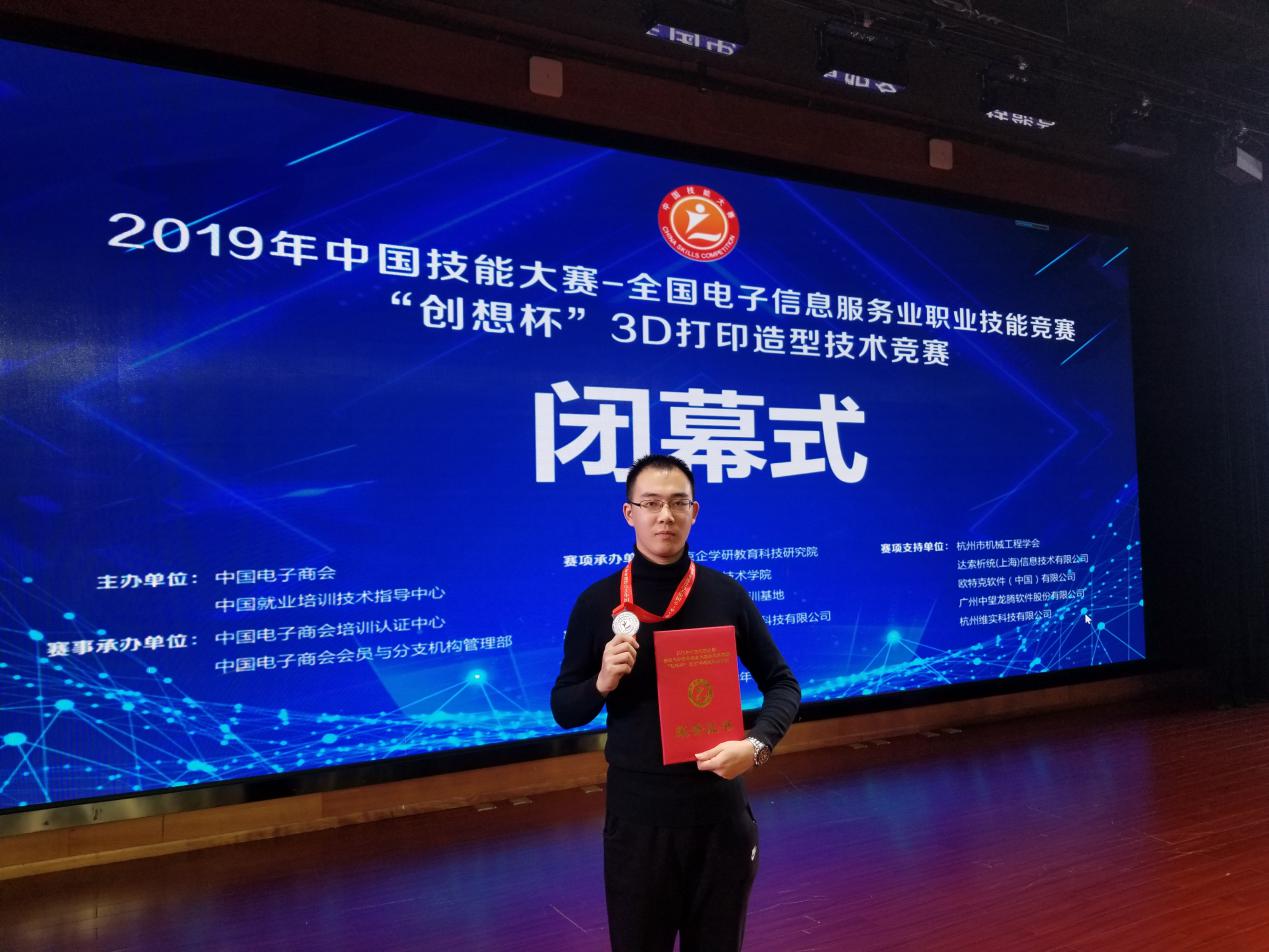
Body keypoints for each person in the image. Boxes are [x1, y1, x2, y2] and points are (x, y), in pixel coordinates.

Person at [551, 454, 801, 952]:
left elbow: (783, 684)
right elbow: (564, 708)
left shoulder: (726, 595)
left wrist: (755, 746)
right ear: (630, 513)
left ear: (694, 512)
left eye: (678, 503)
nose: (665, 515)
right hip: (638, 825)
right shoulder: (596, 603)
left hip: (719, 818)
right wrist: (601, 682)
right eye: (651, 503)